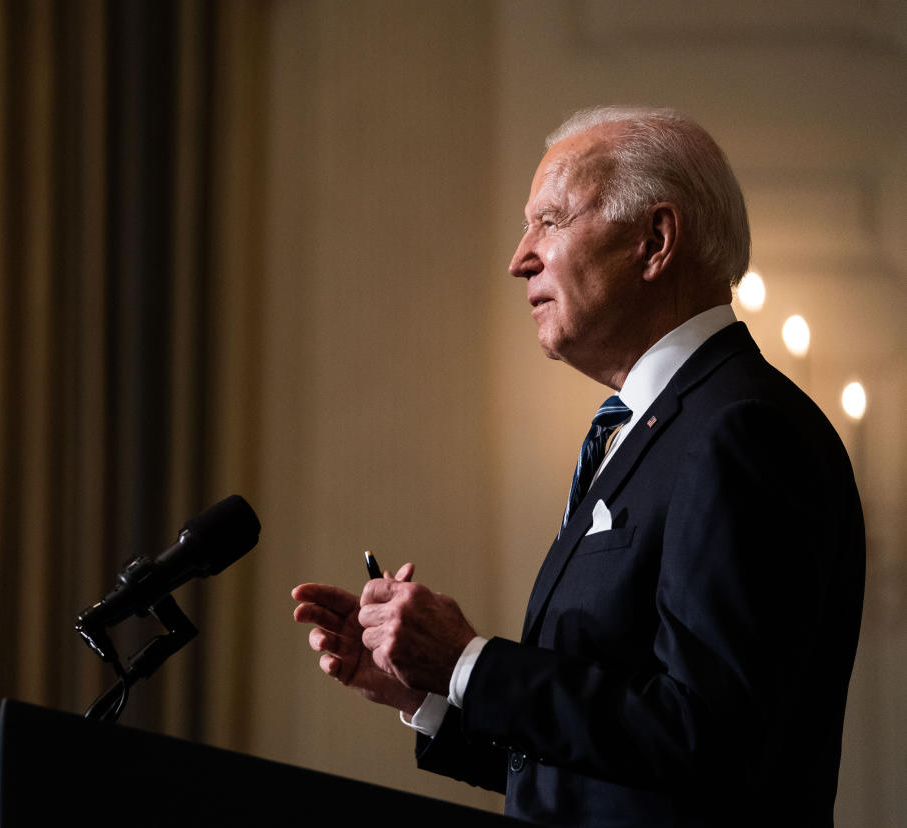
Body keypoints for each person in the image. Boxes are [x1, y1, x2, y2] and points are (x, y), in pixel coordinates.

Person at [291, 106, 865, 827]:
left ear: (655, 242)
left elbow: (708, 738)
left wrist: (471, 660)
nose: (518, 257)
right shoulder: (648, 430)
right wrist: (431, 691)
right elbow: (599, 772)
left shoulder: (742, 429)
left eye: (550, 221)